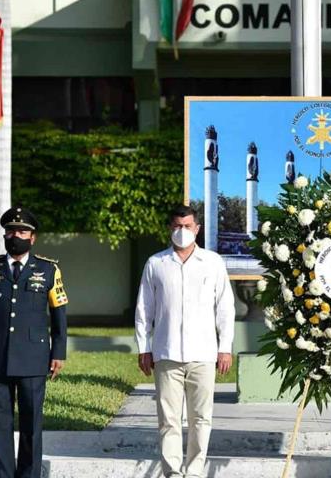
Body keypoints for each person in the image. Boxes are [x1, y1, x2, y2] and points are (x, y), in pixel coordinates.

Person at [134, 204, 236, 478]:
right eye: (177, 226)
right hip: (166, 354)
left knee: (201, 418)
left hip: (203, 354)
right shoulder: (156, 263)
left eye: (187, 226)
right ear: (170, 228)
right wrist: (144, 348)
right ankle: (173, 473)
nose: (182, 231)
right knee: (169, 419)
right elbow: (144, 310)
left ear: (197, 229)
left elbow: (225, 308)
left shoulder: (213, 262)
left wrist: (225, 347)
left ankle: (194, 472)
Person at [0, 206, 68, 478]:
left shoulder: (48, 270)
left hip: (34, 359)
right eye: (11, 230)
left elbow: (59, 316)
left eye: (23, 231)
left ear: (32, 238)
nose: (16, 235)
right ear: (4, 235)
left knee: (31, 425)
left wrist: (58, 353)